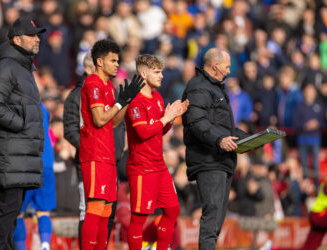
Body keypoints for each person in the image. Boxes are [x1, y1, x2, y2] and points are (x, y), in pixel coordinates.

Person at [0, 18, 46, 249]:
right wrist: (20, 124)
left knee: (11, 214)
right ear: (17, 40)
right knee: (8, 213)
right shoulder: (8, 66)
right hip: (12, 152)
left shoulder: (22, 67)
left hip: (19, 153)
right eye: (32, 35)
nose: (38, 38)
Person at [79, 39, 145, 250]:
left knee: (106, 210)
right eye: (113, 60)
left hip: (108, 154)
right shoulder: (92, 83)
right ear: (99, 62)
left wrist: (125, 101)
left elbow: (114, 121)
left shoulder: (107, 85)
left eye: (118, 60)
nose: (117, 64)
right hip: (94, 153)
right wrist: (119, 102)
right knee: (96, 206)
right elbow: (99, 119)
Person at [181, 48, 249, 250]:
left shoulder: (215, 88)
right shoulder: (199, 88)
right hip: (208, 160)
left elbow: (224, 128)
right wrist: (219, 139)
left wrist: (253, 139)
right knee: (212, 216)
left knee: (217, 219)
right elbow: (196, 121)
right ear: (215, 66)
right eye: (227, 67)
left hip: (222, 160)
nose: (229, 71)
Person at [125, 54, 188, 250]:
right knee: (139, 216)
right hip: (141, 166)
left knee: (172, 210)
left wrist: (171, 118)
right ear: (143, 74)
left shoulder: (159, 98)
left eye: (161, 72)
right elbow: (143, 132)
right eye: (157, 72)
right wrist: (165, 118)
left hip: (159, 165)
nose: (161, 76)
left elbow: (159, 131)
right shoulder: (135, 100)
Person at [13, 103, 56, 250]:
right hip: (47, 162)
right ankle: (45, 245)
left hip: (27, 164)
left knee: (17, 213)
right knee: (43, 211)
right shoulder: (42, 106)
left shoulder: (17, 105)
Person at [64, 53, 95, 247]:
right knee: (87, 209)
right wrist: (89, 147)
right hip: (86, 159)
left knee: (106, 211)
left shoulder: (111, 91)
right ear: (88, 69)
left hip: (109, 160)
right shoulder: (76, 96)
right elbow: (70, 130)